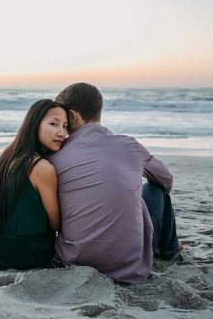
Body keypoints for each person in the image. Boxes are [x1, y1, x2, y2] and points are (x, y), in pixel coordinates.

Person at [48, 82, 181, 283]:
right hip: (131, 267)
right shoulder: (129, 145)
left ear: (73, 116)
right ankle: (171, 249)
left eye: (65, 121)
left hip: (74, 260)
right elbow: (166, 180)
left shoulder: (55, 156)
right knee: (155, 189)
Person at [0, 99, 66, 270]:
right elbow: (55, 225)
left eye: (65, 126)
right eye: (54, 124)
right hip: (25, 255)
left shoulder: (8, 154)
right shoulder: (43, 168)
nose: (62, 133)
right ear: (34, 124)